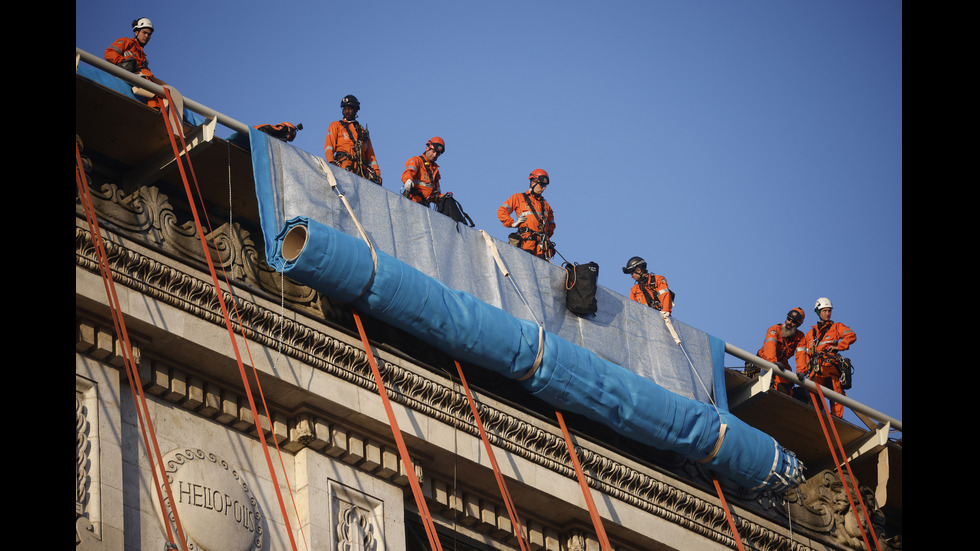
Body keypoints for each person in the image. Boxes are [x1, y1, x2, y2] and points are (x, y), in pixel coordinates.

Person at [795, 297, 857, 418]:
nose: (828, 313)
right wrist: (801, 371)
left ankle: (837, 419)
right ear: (818, 312)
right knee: (811, 395)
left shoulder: (836, 327)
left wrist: (839, 347)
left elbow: (851, 335)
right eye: (825, 311)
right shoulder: (810, 334)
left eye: (829, 311)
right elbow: (803, 354)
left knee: (836, 397)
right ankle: (815, 416)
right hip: (815, 372)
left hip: (830, 369)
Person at [104, 17, 165, 109]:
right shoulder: (126, 41)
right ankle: (156, 107)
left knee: (164, 90)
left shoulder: (143, 56)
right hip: (129, 77)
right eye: (144, 32)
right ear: (136, 32)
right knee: (153, 88)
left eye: (149, 34)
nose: (147, 36)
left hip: (141, 80)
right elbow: (109, 53)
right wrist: (122, 61)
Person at [497, 169, 556, 260]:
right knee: (524, 265)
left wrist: (546, 235)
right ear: (533, 182)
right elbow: (502, 211)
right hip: (527, 241)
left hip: (541, 245)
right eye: (542, 185)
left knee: (542, 269)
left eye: (545, 186)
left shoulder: (545, 205)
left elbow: (552, 224)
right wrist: (512, 223)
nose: (544, 188)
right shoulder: (518, 197)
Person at [324, 95, 382, 184]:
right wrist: (331, 163)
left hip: (362, 173)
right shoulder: (336, 125)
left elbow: (371, 157)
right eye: (345, 109)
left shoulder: (363, 132)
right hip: (344, 168)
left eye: (349, 109)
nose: (346, 112)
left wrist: (377, 174)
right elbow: (329, 146)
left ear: (356, 110)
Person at [748, 308, 806, 395]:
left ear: (798, 325)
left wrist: (801, 371)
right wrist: (773, 361)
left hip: (781, 364)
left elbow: (801, 354)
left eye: (793, 321)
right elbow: (770, 346)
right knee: (760, 383)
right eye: (788, 319)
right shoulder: (775, 329)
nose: (789, 323)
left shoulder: (800, 337)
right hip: (764, 360)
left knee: (785, 390)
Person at [402, 137, 447, 206]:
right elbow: (409, 172)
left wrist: (443, 198)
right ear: (427, 148)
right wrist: (408, 180)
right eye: (433, 152)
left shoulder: (435, 171)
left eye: (437, 154)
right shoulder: (417, 160)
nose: (435, 155)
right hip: (412, 202)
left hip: (424, 206)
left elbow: (435, 194)